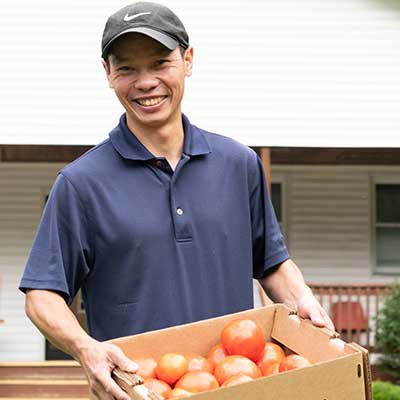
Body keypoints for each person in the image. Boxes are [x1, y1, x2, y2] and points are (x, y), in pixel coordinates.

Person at [19, 2, 334, 399]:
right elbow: (42, 296)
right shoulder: (81, 183)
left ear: (188, 60)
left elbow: (271, 262)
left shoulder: (239, 165)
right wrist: (86, 348)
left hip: (237, 384)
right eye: (127, 68)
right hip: (139, 389)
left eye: (159, 62)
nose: (145, 82)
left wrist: (303, 301)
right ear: (107, 74)